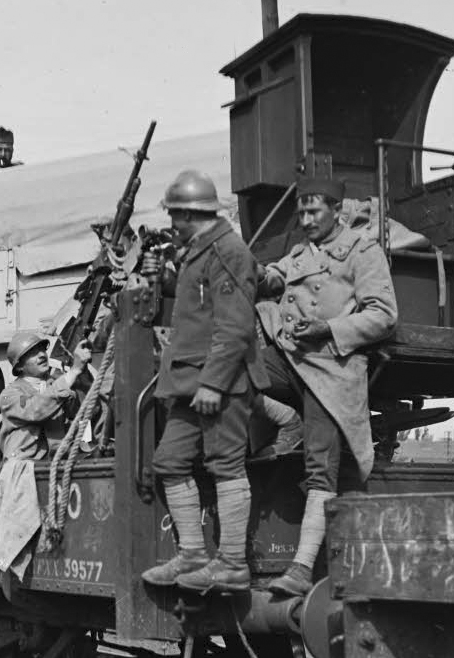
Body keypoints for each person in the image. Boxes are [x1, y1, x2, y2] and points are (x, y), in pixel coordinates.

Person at [258, 176, 398, 596]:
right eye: (300, 212)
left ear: (337, 210)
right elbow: (273, 279)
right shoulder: (301, 253)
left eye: (313, 211)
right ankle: (289, 423)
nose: (305, 219)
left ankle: (301, 569)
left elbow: (384, 314)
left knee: (321, 467)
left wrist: (328, 327)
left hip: (332, 368)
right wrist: (249, 272)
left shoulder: (363, 251)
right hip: (290, 359)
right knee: (232, 370)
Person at [139, 170, 268, 593]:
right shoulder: (202, 250)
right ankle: (193, 554)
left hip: (220, 383)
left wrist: (213, 383)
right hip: (189, 382)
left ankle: (232, 564)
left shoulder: (229, 250)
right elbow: (199, 299)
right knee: (170, 462)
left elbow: (235, 328)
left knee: (225, 465)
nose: (171, 223)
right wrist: (165, 278)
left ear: (189, 213)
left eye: (174, 214)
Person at [0, 331, 91, 460]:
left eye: (42, 350)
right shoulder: (10, 395)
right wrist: (73, 372)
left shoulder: (59, 386)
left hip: (57, 463)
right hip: (24, 469)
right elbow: (33, 409)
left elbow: (82, 415)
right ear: (19, 366)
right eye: (33, 353)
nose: (41, 355)